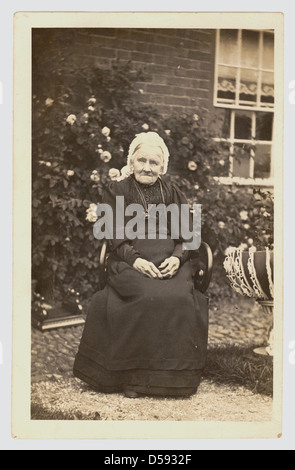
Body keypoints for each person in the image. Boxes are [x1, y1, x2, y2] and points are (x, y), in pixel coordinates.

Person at [73, 132, 209, 398]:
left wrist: (177, 258)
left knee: (179, 297)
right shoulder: (116, 190)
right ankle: (131, 378)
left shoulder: (172, 192)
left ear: (163, 166)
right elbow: (113, 234)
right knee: (146, 296)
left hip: (171, 263)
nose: (147, 167)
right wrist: (135, 260)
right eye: (142, 160)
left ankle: (172, 381)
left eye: (154, 162)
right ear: (131, 162)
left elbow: (189, 236)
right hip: (128, 261)